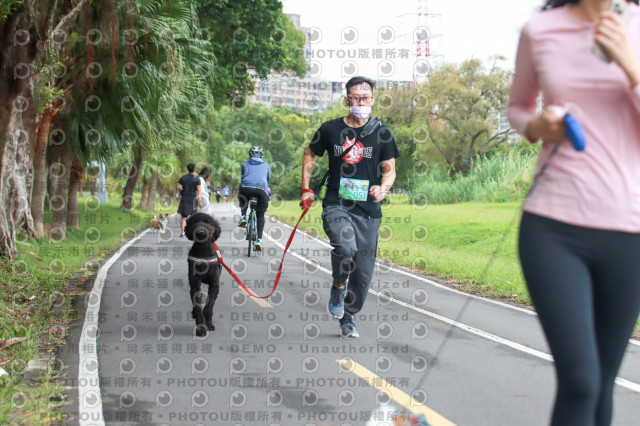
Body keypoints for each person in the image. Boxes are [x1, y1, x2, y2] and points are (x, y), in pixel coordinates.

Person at [508, 1, 640, 424]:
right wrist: (538, 127)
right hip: (553, 228)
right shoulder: (540, 29)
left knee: (601, 386)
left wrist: (629, 64)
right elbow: (518, 107)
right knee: (581, 381)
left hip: (630, 231)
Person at [300, 76, 399, 338]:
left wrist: (384, 188)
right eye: (355, 98)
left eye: (365, 98)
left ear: (372, 100)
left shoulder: (382, 132)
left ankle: (348, 317)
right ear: (347, 100)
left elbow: (389, 169)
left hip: (368, 210)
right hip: (337, 203)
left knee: (363, 272)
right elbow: (310, 154)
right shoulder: (330, 129)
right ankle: (337, 285)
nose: (360, 102)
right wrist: (306, 187)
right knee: (346, 248)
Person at [237, 146, 270, 251]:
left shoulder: (245, 164)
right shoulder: (266, 165)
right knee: (261, 215)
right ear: (261, 155)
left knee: (243, 196)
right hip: (262, 189)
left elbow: (243, 178)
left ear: (250, 154)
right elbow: (267, 180)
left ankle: (243, 217)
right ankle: (259, 240)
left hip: (247, 188)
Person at [176, 162, 202, 237]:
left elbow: (178, 187)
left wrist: (182, 190)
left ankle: (183, 233)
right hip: (193, 199)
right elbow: (199, 191)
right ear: (195, 169)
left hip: (184, 198)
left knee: (183, 217)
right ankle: (193, 232)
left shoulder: (183, 178)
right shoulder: (197, 179)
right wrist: (200, 201)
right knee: (193, 217)